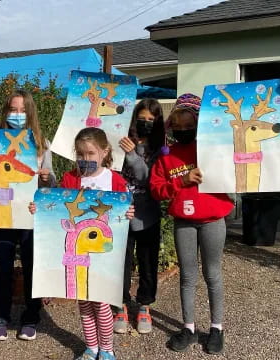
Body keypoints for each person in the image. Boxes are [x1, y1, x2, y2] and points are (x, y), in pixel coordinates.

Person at [30, 127, 134, 360]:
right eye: (80, 154)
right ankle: (91, 347)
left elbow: (124, 211)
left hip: (104, 255)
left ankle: (107, 349)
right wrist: (38, 208)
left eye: (90, 153)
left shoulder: (115, 180)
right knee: (85, 303)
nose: (84, 159)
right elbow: (55, 210)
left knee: (102, 304)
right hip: (79, 254)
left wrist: (128, 213)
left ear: (104, 152)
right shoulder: (70, 179)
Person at [149, 93, 234, 354]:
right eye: (179, 126)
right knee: (187, 276)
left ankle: (216, 328)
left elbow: (234, 170)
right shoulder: (166, 155)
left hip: (212, 219)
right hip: (184, 221)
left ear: (200, 124)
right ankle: (189, 327)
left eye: (190, 126)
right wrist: (181, 182)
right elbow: (156, 189)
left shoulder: (211, 149)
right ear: (171, 126)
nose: (184, 131)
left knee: (213, 274)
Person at [0, 89, 56, 341]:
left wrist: (46, 177)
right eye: (12, 109)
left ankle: (31, 315)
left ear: (30, 113)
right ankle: (0, 315)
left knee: (31, 265)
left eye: (22, 110)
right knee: (4, 265)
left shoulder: (42, 143)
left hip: (30, 215)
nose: (17, 115)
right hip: (3, 214)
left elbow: (51, 184)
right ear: (5, 112)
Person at [114, 99, 165, 334]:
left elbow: (149, 179)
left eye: (150, 121)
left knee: (147, 262)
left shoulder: (160, 148)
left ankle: (144, 306)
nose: (145, 124)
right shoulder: (120, 140)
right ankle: (121, 305)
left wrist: (133, 155)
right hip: (121, 214)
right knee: (120, 263)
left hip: (148, 216)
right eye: (141, 119)